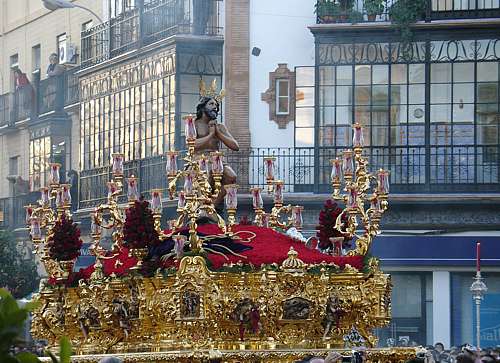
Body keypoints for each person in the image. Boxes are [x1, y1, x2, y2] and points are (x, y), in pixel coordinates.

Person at [194, 95, 239, 207]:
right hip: (199, 159)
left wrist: (218, 133)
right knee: (207, 173)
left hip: (217, 160)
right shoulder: (194, 124)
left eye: (216, 105)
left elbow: (235, 146)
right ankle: (203, 206)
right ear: (203, 107)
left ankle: (211, 206)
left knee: (231, 177)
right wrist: (210, 135)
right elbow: (192, 145)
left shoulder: (220, 126)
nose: (215, 107)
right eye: (211, 104)